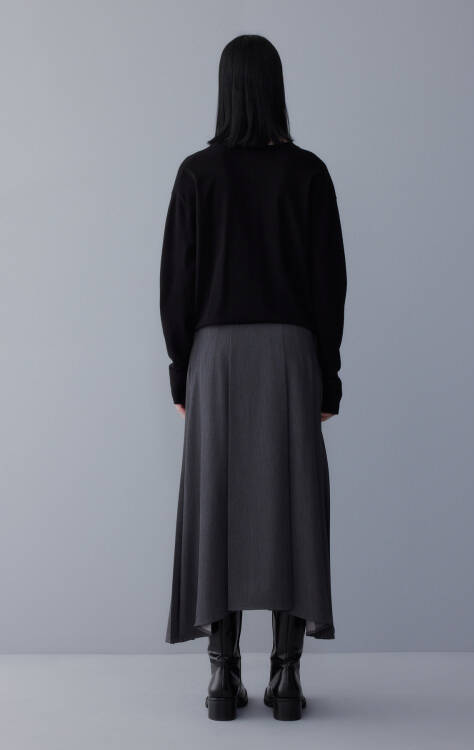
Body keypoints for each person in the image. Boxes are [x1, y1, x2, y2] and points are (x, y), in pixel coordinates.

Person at [159, 34, 347, 722]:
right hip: (291, 354)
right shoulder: (308, 173)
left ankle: (221, 675)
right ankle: (287, 677)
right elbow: (330, 284)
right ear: (275, 89)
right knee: (292, 504)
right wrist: (327, 376)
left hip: (216, 358)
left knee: (218, 504)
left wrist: (182, 373)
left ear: (225, 89)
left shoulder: (196, 174)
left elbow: (175, 284)